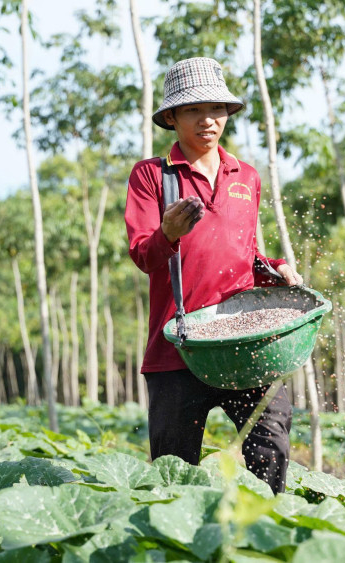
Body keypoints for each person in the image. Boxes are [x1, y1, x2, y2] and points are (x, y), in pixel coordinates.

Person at [124, 57, 302, 494]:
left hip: (243, 341)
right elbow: (144, 255)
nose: (208, 120)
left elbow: (245, 254)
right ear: (172, 117)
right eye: (194, 110)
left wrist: (276, 269)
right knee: (173, 473)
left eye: (216, 109)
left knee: (271, 441)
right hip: (178, 348)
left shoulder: (247, 176)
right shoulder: (152, 176)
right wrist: (168, 232)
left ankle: (266, 525)